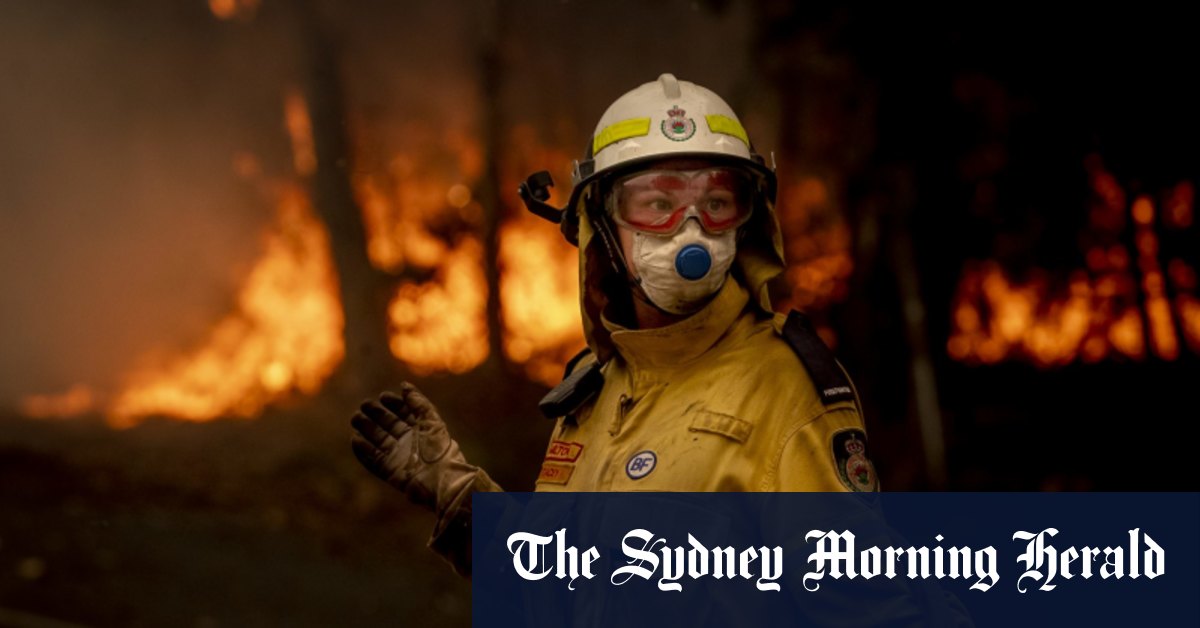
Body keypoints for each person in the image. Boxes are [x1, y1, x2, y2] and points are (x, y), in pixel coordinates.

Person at [349, 74, 878, 578]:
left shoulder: (788, 391)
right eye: (658, 204)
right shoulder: (597, 391)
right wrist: (454, 490)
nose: (691, 232)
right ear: (600, 222)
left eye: (717, 203)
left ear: (748, 222)